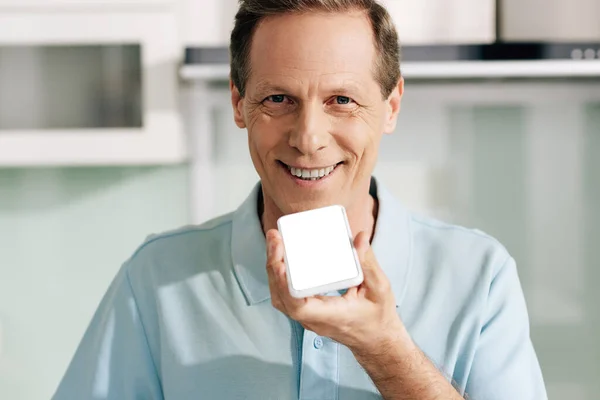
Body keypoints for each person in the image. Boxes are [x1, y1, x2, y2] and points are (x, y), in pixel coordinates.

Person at [53, 0, 547, 399]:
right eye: (278, 99)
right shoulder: (155, 280)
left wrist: (384, 349)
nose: (308, 138)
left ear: (391, 106)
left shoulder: (479, 277)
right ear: (238, 103)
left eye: (342, 100)